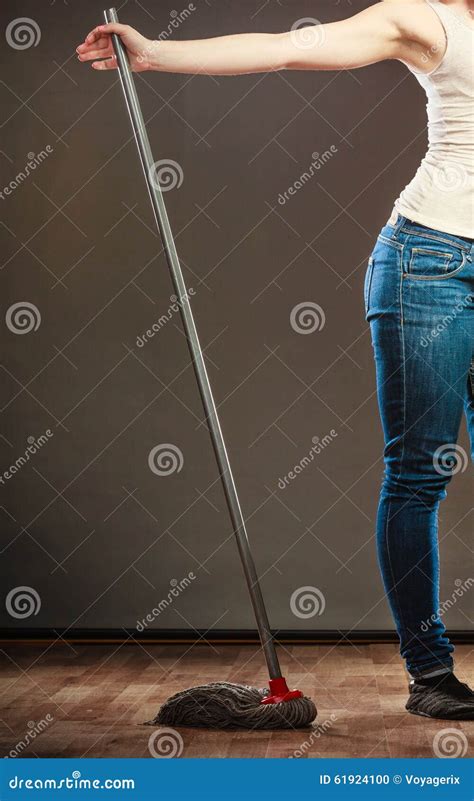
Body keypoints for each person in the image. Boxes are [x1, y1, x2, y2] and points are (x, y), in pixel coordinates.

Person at [77, 1, 474, 719]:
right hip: (432, 263)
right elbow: (291, 49)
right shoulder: (427, 18)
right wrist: (157, 55)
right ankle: (432, 674)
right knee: (419, 470)